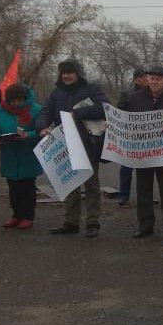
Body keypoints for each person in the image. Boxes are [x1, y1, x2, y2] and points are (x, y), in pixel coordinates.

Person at [36, 59, 109, 238]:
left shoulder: (92, 89)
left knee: (91, 185)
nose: (66, 76)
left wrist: (78, 113)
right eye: (63, 73)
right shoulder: (56, 93)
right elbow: (45, 112)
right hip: (65, 143)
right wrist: (42, 127)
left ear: (78, 73)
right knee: (70, 184)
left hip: (88, 143)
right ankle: (71, 222)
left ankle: (93, 222)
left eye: (70, 72)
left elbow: (104, 108)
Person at [121, 66, 163, 240]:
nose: (154, 81)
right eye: (151, 78)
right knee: (143, 190)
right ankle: (145, 225)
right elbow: (124, 118)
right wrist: (113, 125)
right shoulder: (135, 98)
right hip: (143, 152)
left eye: (158, 78)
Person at [0, 83, 43, 230]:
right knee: (13, 188)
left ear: (24, 99)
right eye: (13, 101)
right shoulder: (0, 109)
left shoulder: (36, 110)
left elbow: (42, 130)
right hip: (9, 154)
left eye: (19, 100)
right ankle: (16, 215)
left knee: (27, 188)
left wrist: (28, 135)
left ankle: (28, 216)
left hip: (28, 154)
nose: (16, 103)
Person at [116, 67, 148, 207]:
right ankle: (124, 195)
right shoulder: (127, 94)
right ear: (136, 79)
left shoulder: (153, 94)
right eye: (143, 77)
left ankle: (145, 196)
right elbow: (119, 110)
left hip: (147, 136)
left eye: (147, 76)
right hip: (130, 135)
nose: (146, 79)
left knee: (146, 168)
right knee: (126, 168)